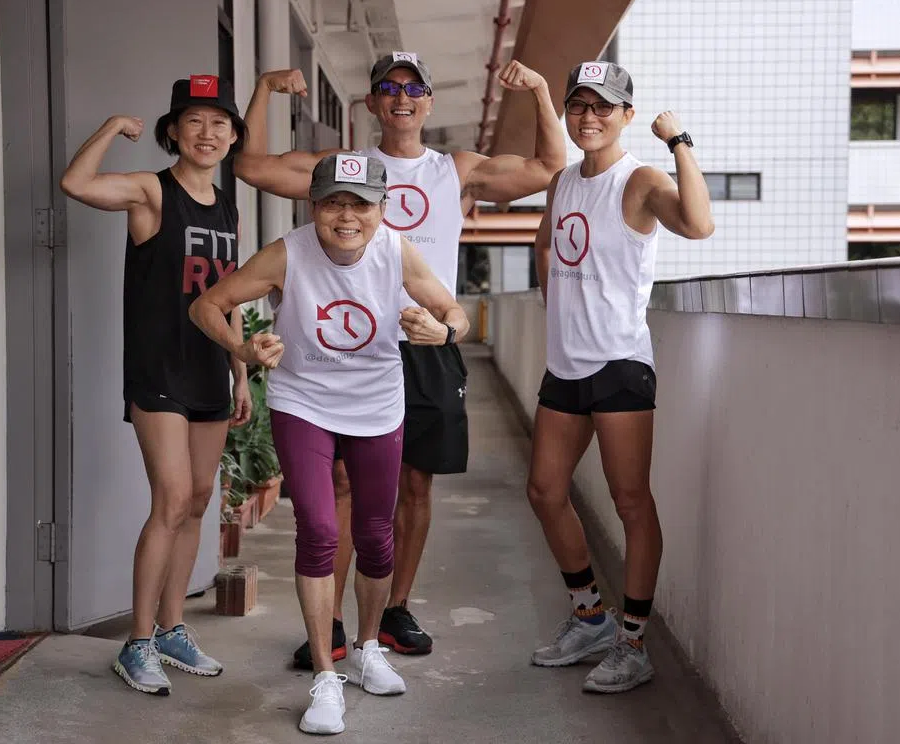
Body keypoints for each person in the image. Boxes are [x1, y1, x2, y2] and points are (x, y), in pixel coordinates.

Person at [235, 52, 566, 666]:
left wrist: (543, 90)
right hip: (347, 341)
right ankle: (328, 620)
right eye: (389, 88)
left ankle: (394, 609)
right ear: (371, 104)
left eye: (414, 88)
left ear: (430, 103)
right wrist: (263, 90)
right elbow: (252, 165)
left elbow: (550, 167)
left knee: (415, 483)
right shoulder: (341, 171)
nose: (402, 97)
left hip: (425, 335)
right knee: (339, 484)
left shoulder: (455, 169)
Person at [190, 153, 470, 735]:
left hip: (377, 405)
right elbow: (208, 304)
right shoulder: (287, 253)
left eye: (361, 203)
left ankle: (369, 646)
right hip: (305, 403)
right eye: (334, 202)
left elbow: (452, 310)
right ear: (313, 206)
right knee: (319, 530)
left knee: (374, 533)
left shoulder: (396, 250)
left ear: (382, 208)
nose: (348, 216)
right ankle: (325, 674)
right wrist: (243, 351)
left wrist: (443, 330)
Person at [59, 75, 278, 696]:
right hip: (158, 368)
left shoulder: (228, 203)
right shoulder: (151, 193)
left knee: (202, 498)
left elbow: (229, 296)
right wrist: (110, 127)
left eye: (219, 124)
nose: (207, 134)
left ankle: (173, 628)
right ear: (173, 132)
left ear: (233, 136)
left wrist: (240, 372)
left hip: (210, 366)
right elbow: (74, 185)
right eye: (194, 122)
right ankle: (136, 641)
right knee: (172, 498)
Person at [526, 61, 714, 693]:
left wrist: (680, 143)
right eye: (579, 105)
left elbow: (698, 224)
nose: (589, 116)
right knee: (545, 492)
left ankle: (634, 644)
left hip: (619, 365)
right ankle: (591, 618)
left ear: (626, 115)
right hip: (565, 364)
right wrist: (556, 304)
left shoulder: (640, 179)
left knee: (630, 501)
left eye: (603, 107)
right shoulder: (562, 182)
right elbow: (547, 245)